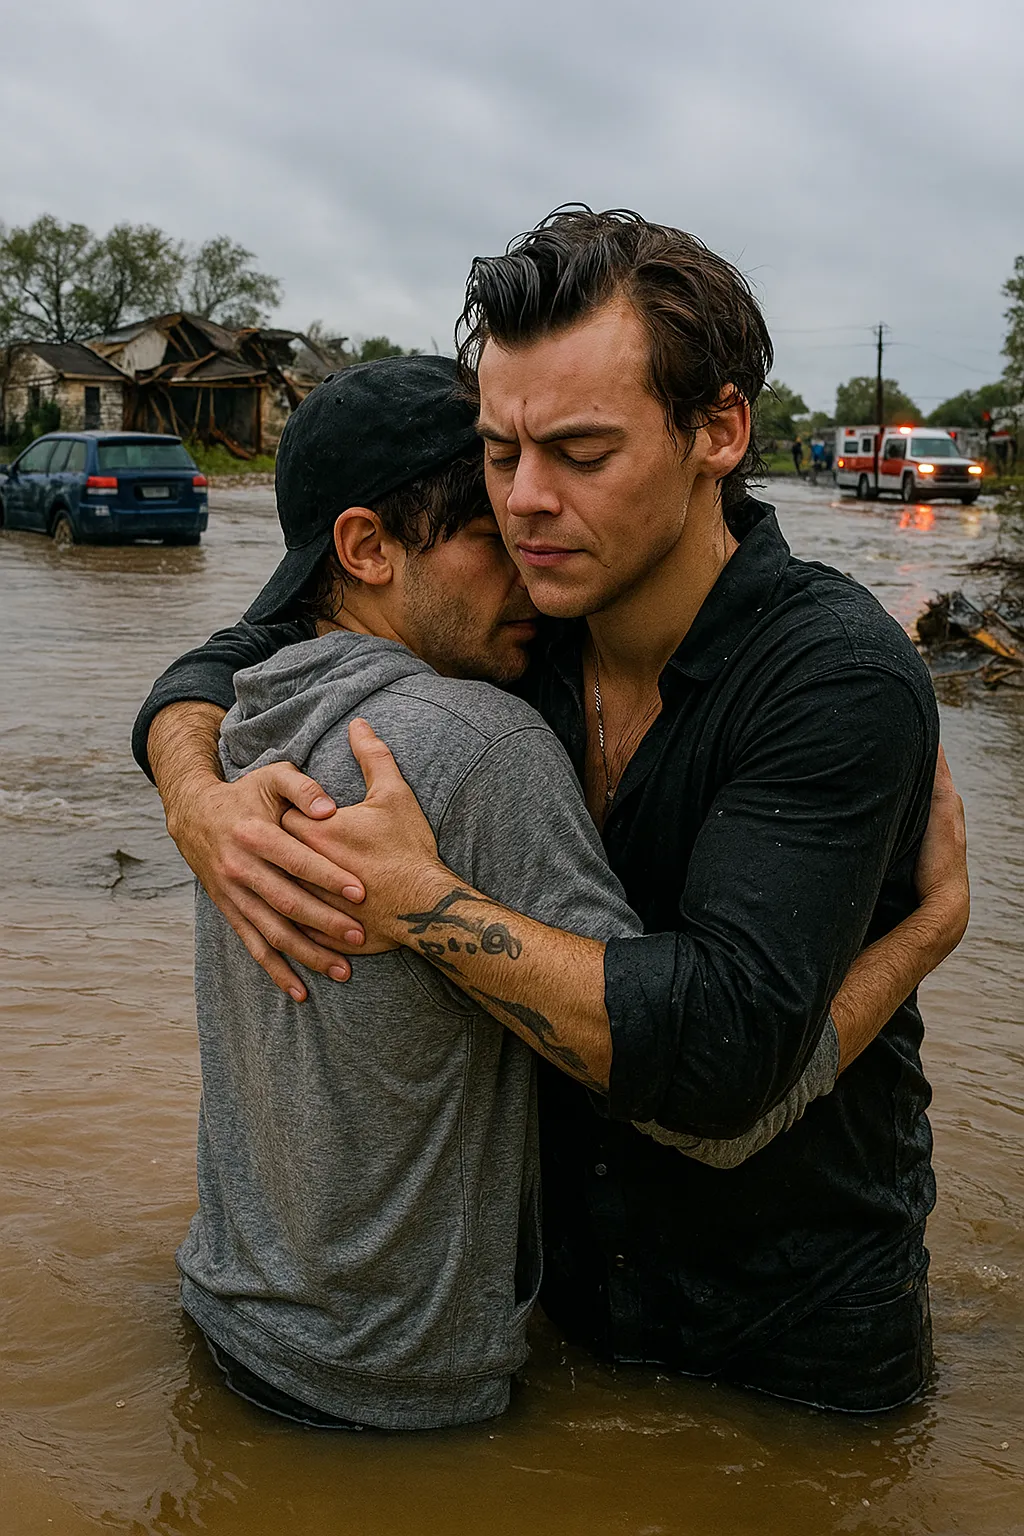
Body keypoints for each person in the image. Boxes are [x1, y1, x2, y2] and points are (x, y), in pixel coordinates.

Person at [134, 210, 969, 1414]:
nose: (524, 503)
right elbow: (243, 646)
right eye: (497, 453)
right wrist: (197, 799)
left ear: (716, 433)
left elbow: (721, 1062)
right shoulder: (527, 624)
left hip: (788, 1333)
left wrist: (423, 904)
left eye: (580, 453)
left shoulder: (831, 678)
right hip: (557, 1313)